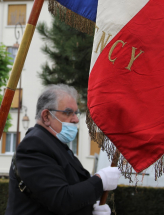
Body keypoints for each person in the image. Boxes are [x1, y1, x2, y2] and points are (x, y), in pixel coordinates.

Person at [6, 84, 121, 215]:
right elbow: (61, 199)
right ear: (46, 116)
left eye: (76, 113)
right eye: (68, 112)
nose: (76, 119)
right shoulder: (33, 146)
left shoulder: (55, 144)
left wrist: (91, 208)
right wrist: (100, 180)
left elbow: (74, 189)